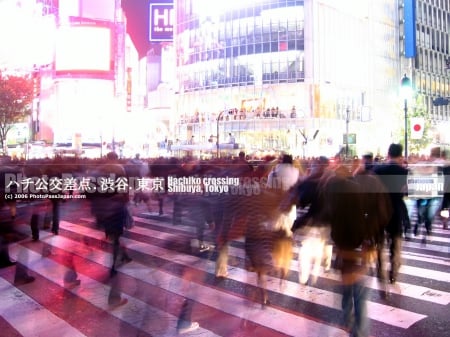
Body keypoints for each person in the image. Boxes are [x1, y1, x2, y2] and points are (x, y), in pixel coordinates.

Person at [373, 143, 409, 284]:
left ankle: (380, 267)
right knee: (395, 241)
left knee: (379, 241)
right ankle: (393, 272)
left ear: (388, 154)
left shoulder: (377, 170)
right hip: (396, 209)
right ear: (400, 156)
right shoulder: (404, 172)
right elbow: (406, 192)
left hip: (380, 210)